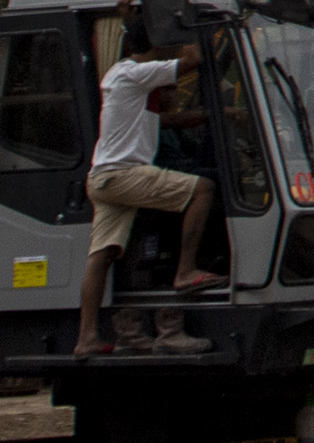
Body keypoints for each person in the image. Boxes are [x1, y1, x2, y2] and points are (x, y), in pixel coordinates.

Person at [74, 39, 223, 357]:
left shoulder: (120, 78)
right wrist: (178, 33)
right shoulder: (137, 73)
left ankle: (86, 338)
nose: (171, 93)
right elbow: (193, 57)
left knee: (101, 255)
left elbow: (169, 120)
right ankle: (185, 272)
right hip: (124, 174)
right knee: (203, 190)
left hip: (103, 176)